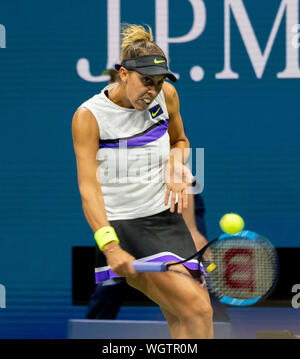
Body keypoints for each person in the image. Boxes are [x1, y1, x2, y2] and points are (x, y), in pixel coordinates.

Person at [72, 24, 213, 339]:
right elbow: (88, 188)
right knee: (198, 309)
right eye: (146, 81)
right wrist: (109, 246)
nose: (153, 90)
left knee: (185, 314)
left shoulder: (167, 96)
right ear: (123, 73)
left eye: (159, 82)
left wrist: (176, 164)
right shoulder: (89, 116)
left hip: (166, 220)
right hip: (125, 226)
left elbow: (181, 141)